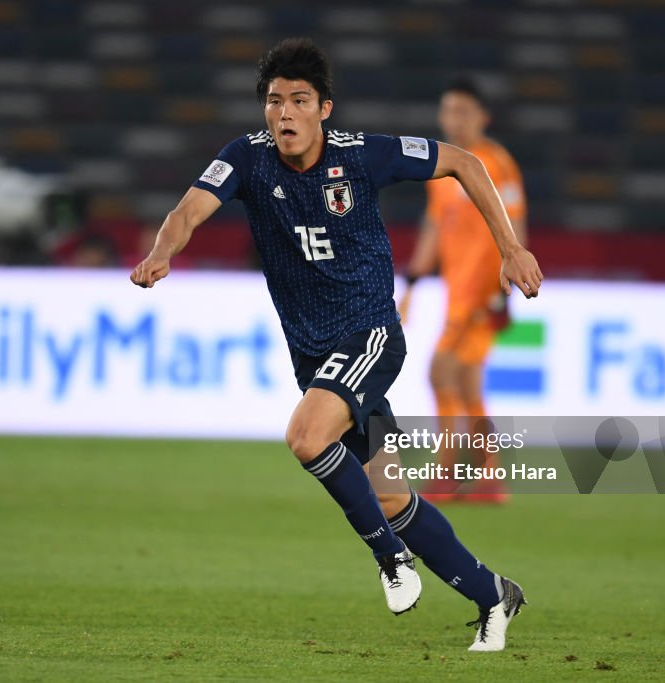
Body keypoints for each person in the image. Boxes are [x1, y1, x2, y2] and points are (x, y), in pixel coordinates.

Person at [130, 38, 542, 652]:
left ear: (325, 108)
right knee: (394, 496)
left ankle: (390, 561)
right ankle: (493, 594)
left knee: (305, 436)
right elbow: (189, 210)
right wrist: (164, 250)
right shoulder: (247, 157)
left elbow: (464, 161)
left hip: (371, 335)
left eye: (299, 101)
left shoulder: (363, 156)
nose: (285, 114)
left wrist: (510, 247)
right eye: (274, 102)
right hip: (314, 354)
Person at [398, 78, 528, 504]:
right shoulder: (441, 167)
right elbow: (434, 226)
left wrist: (505, 288)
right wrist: (413, 283)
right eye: (449, 110)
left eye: (464, 111)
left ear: (482, 117)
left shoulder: (496, 163)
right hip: (456, 292)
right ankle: (487, 478)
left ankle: (450, 473)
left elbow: (514, 225)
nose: (455, 119)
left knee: (441, 372)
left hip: (484, 291)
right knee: (466, 383)